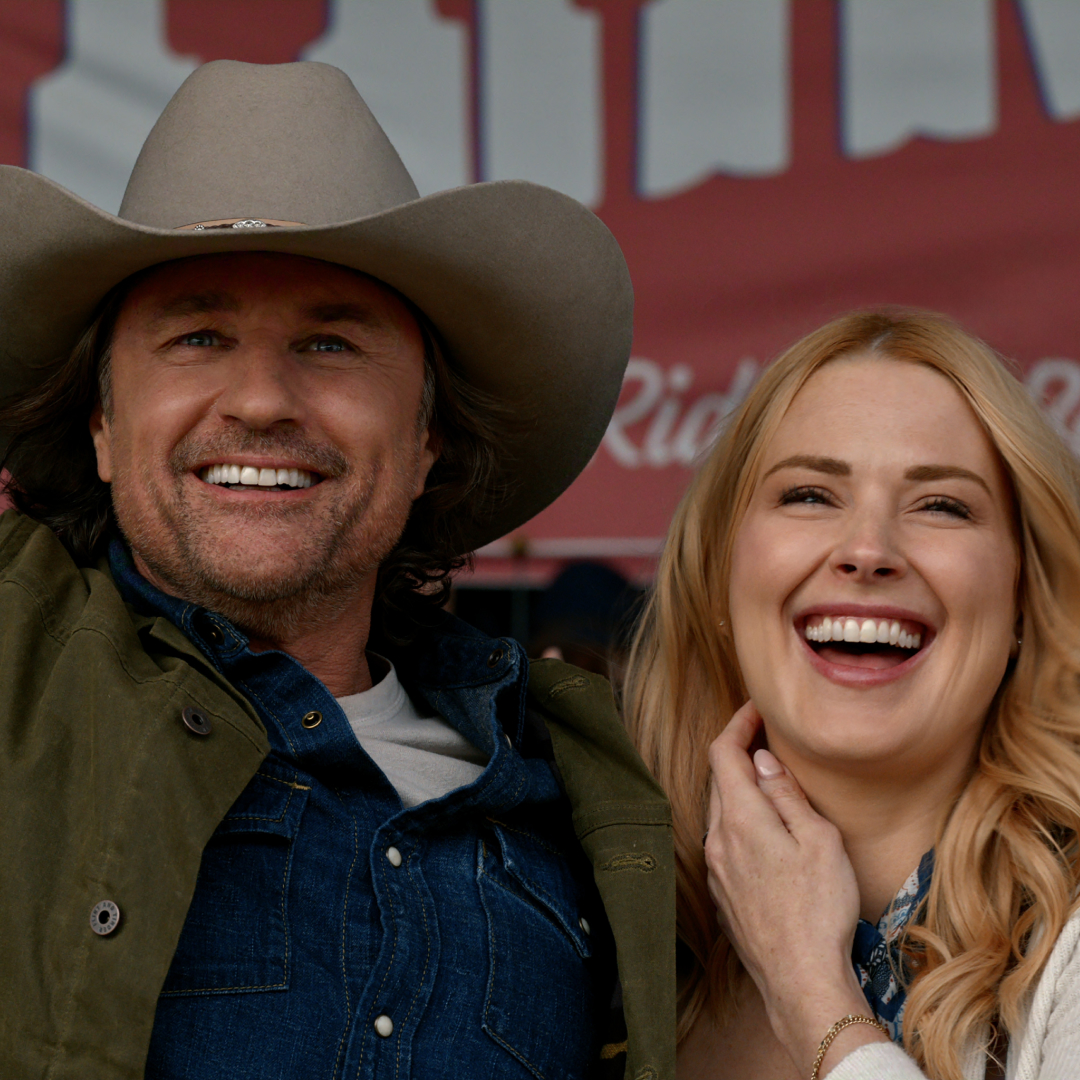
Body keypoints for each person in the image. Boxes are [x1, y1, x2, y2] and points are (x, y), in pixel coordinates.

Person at [0, 61, 675, 1080]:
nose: (262, 399)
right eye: (197, 336)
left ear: (425, 438)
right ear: (100, 426)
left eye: (328, 342)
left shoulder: (585, 789)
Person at [623, 309, 1080, 1080]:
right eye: (809, 494)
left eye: (942, 505)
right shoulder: (591, 933)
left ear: (1023, 602)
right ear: (719, 583)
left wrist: (813, 997)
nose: (868, 550)